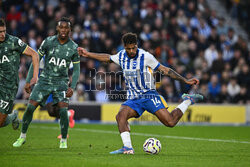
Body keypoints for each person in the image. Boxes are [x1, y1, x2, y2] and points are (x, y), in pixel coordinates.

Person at [78, 32, 203, 154]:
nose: (132, 51)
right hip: (133, 98)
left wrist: (185, 80)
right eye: (128, 49)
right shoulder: (121, 56)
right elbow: (107, 58)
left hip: (149, 95)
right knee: (120, 116)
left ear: (137, 45)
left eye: (134, 48)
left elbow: (165, 70)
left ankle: (187, 101)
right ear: (124, 47)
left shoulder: (146, 56)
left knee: (170, 122)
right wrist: (88, 54)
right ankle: (127, 148)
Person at [13, 17, 80, 148]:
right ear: (57, 28)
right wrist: (29, 81)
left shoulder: (73, 47)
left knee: (62, 109)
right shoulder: (48, 42)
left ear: (70, 30)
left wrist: (72, 87)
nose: (64, 30)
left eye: (66, 28)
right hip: (44, 81)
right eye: (61, 27)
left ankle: (64, 141)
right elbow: (36, 60)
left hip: (61, 82)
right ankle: (22, 137)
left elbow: (77, 70)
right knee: (30, 108)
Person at [0, 18, 39, 130]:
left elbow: (34, 55)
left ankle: (12, 117)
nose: (2, 34)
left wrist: (34, 76)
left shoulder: (13, 41)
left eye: (4, 31)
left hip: (9, 86)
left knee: (0, 122)